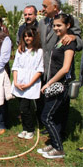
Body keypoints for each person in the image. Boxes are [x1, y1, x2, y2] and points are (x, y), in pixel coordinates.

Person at [38, 0, 82, 136]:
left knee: (61, 104)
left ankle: (61, 132)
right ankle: (51, 127)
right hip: (46, 69)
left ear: (55, 7)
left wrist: (73, 37)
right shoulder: (43, 22)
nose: (43, 9)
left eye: (45, 6)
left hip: (61, 70)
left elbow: (80, 42)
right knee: (49, 100)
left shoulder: (70, 20)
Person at [37, 14, 76, 159]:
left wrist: (48, 83)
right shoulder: (59, 41)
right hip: (55, 83)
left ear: (68, 26)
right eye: (54, 25)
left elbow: (65, 68)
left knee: (46, 117)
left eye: (59, 25)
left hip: (60, 85)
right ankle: (54, 143)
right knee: (55, 116)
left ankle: (59, 149)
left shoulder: (68, 43)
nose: (56, 28)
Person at [11, 26, 43, 139]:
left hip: (30, 84)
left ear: (34, 37)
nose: (27, 38)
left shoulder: (39, 51)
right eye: (25, 36)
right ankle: (25, 128)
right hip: (19, 82)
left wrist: (30, 84)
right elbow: (15, 67)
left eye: (29, 36)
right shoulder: (20, 50)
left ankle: (30, 129)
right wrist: (15, 82)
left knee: (26, 108)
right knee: (22, 108)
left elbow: (39, 69)